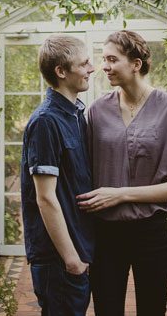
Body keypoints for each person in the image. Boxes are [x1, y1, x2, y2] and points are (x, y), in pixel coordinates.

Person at [78, 30, 167, 316]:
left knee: (152, 309)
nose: (104, 66)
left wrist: (120, 194)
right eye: (104, 59)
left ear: (136, 64)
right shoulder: (97, 111)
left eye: (112, 59)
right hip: (105, 233)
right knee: (107, 310)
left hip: (152, 232)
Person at [20, 35, 96, 316]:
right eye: (84, 63)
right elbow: (45, 198)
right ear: (61, 72)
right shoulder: (46, 121)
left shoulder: (75, 115)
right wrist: (71, 258)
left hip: (77, 249)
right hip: (59, 259)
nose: (92, 68)